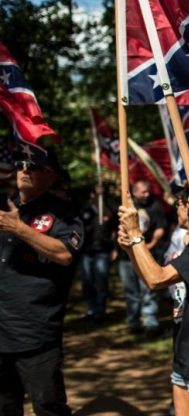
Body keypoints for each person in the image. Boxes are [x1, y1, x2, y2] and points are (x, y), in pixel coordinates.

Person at [117, 179, 189, 416]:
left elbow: (156, 278)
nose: (176, 207)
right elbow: (152, 282)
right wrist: (131, 249)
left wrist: (136, 233)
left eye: (180, 202)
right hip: (185, 348)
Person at [0, 148, 84, 415]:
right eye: (20, 164)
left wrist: (20, 229)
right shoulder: (3, 207)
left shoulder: (64, 213)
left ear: (51, 175)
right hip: (1, 331)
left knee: (48, 406)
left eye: (33, 165)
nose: (24, 170)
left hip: (36, 333)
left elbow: (64, 253)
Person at [118, 179, 169, 334]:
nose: (147, 195)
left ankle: (150, 323)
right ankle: (133, 323)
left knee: (149, 290)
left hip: (147, 256)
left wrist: (150, 244)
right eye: (143, 192)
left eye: (148, 191)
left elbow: (161, 228)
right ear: (134, 192)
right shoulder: (126, 207)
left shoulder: (155, 206)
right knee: (131, 291)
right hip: (127, 257)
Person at [80, 184, 118, 324]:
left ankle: (100, 312)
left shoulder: (109, 210)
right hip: (87, 251)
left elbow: (114, 231)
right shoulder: (86, 211)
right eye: (96, 193)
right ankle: (91, 310)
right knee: (88, 282)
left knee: (101, 281)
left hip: (103, 250)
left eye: (102, 193)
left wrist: (114, 248)